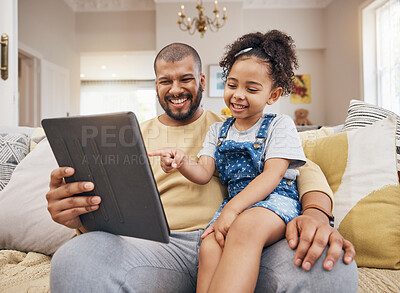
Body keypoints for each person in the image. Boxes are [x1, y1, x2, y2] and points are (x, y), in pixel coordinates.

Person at [47, 40, 358, 292]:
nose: (175, 89)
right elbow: (107, 210)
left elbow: (302, 169)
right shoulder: (126, 137)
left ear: (202, 81)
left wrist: (316, 215)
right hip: (158, 249)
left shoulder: (235, 125)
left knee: (329, 266)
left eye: (185, 79)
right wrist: (77, 216)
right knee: (75, 261)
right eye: (165, 81)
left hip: (245, 242)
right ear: (155, 85)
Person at [149, 30, 308, 293]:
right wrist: (181, 161)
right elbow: (203, 172)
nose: (238, 95)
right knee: (210, 244)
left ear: (273, 95)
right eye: (232, 85)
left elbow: (272, 176)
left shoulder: (280, 125)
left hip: (273, 200)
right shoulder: (218, 130)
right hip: (234, 206)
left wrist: (233, 211)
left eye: (252, 88)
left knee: (245, 229)